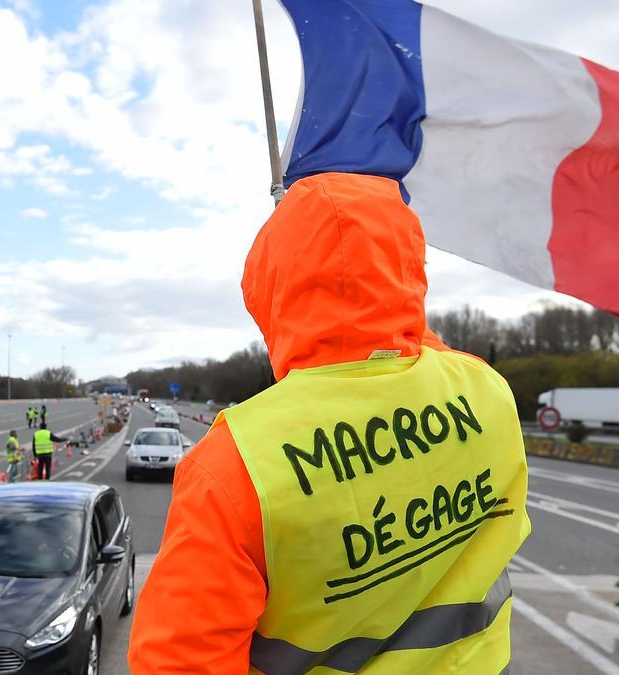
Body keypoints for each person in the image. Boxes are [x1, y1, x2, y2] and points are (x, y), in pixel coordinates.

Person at [128, 174, 530, 673]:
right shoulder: (486, 390)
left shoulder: (235, 466)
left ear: (269, 285)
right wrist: (380, 292)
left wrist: (305, 259)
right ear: (408, 264)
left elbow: (183, 661)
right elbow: (413, 338)